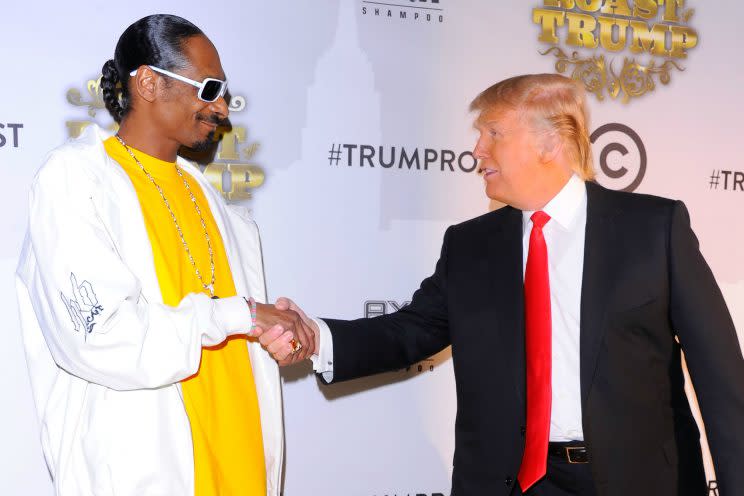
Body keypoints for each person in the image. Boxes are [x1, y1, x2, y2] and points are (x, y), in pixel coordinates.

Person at [269, 74, 744, 495]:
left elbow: (720, 376)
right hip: (509, 482)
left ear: (552, 143)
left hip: (637, 480)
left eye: (493, 133)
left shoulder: (653, 229)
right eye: (480, 135)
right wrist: (315, 337)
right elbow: (409, 332)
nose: (477, 150)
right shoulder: (470, 245)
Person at [15, 14, 311, 496]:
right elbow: (103, 337)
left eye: (224, 93)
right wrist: (242, 314)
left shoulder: (215, 203)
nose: (222, 108)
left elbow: (237, 332)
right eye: (210, 88)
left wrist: (277, 332)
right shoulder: (74, 181)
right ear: (149, 82)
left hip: (245, 465)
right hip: (147, 474)